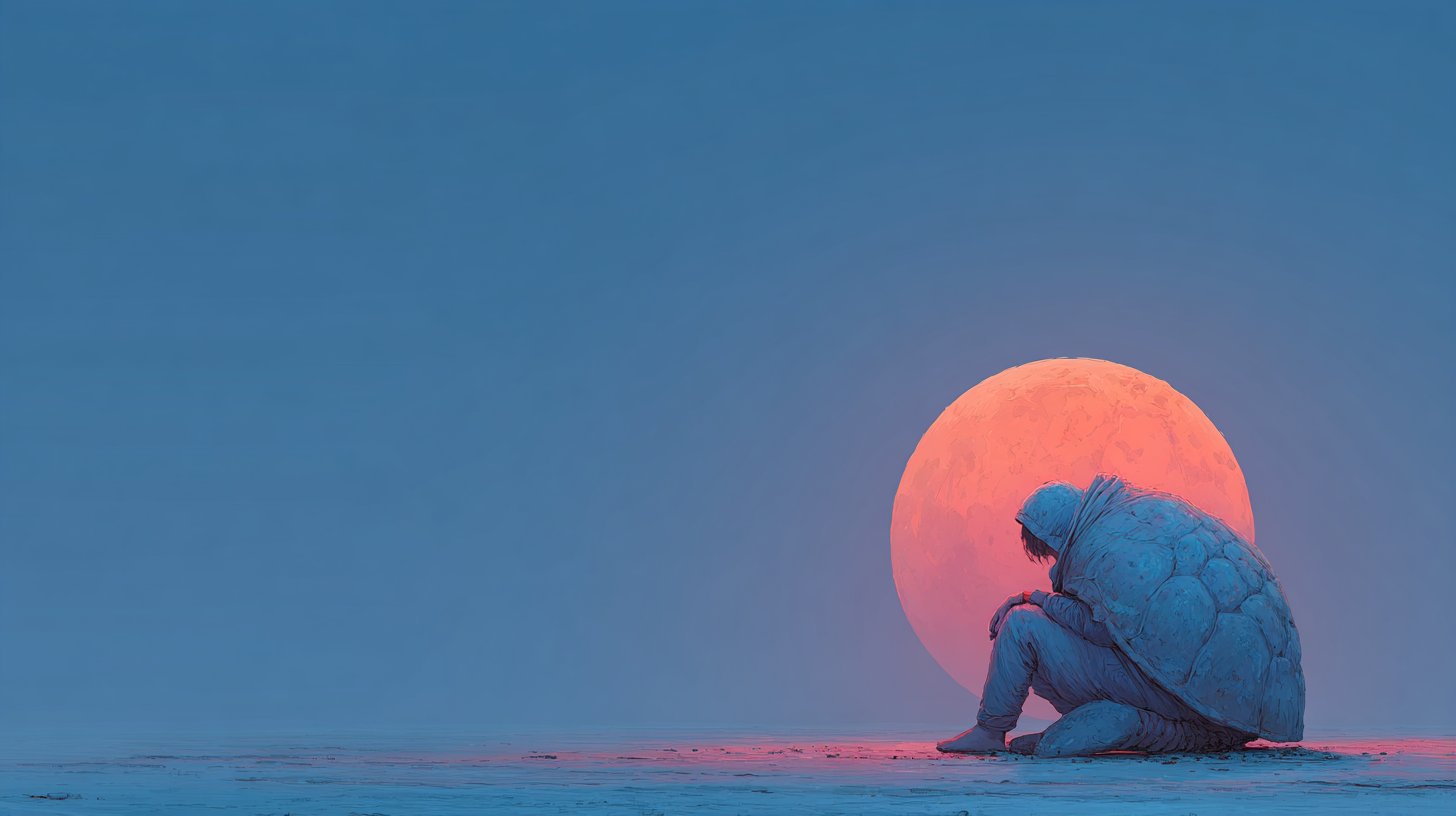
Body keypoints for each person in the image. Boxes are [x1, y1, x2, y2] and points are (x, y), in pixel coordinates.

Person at [936, 481, 1255, 756]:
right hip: (1197, 700)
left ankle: (991, 730)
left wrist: (1034, 597)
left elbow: (1100, 627)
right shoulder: (1131, 535)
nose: (1050, 557)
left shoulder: (1105, 553)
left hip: (1166, 690)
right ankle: (1104, 726)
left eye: (1048, 548)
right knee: (1034, 623)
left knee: (1022, 625)